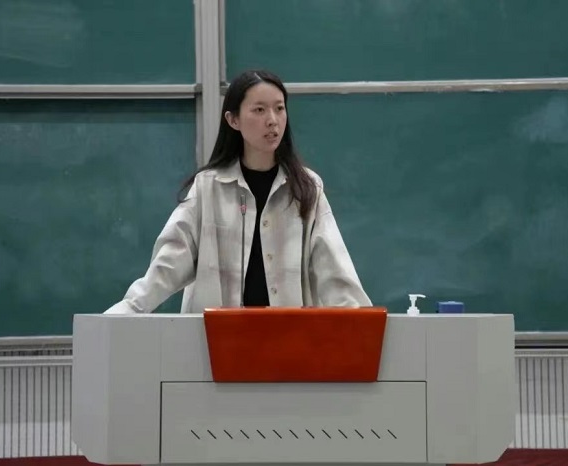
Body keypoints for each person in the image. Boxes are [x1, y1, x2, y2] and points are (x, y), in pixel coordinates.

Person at [104, 69, 371, 314]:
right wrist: (129, 309)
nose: (272, 120)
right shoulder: (208, 187)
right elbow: (169, 263)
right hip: (218, 340)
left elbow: (334, 270)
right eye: (259, 110)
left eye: (279, 108)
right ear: (233, 120)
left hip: (289, 339)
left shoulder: (306, 187)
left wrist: (364, 327)